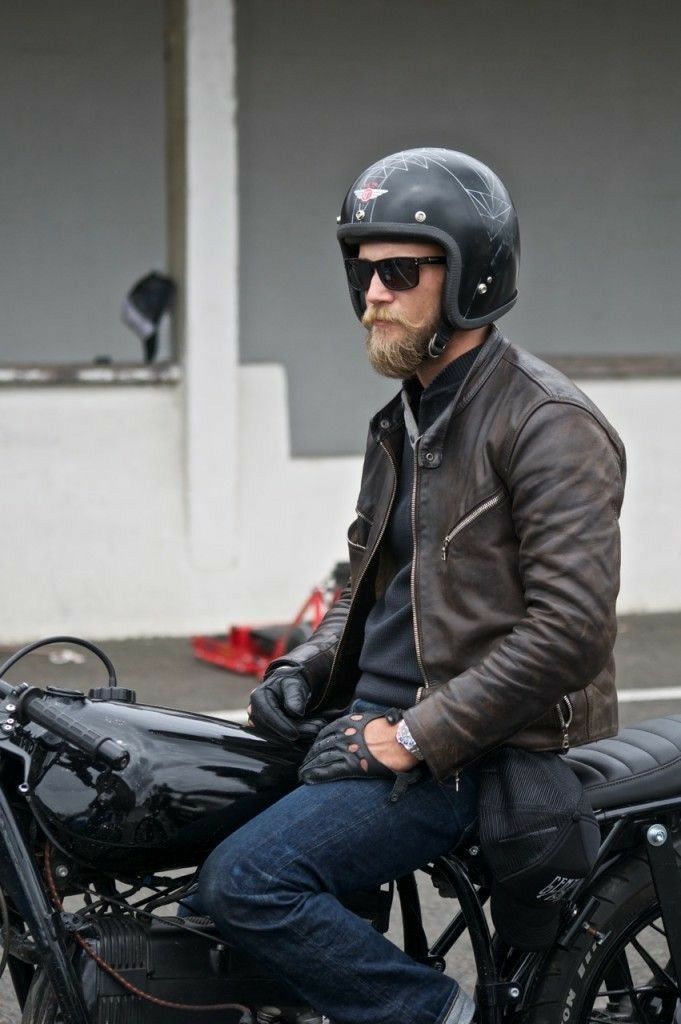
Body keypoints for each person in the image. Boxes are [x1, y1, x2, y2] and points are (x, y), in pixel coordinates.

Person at [198, 148, 626, 1024]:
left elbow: (571, 632)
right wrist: (305, 668)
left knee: (246, 884)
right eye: (363, 271)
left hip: (479, 748)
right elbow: (364, 589)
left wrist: (412, 735)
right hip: (367, 723)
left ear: (470, 276)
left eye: (399, 271)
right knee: (171, 811)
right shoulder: (404, 416)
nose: (372, 295)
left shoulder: (548, 424)